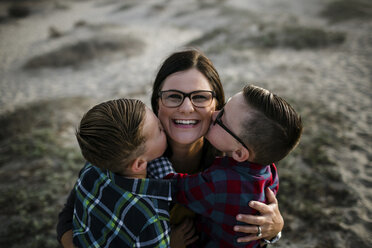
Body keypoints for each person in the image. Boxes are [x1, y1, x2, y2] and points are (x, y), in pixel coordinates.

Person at [57, 48, 284, 247]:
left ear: (216, 105)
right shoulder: (126, 146)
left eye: (200, 97)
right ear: (157, 102)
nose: (186, 108)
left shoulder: (236, 159)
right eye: (174, 96)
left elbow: (252, 221)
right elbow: (71, 212)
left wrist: (274, 230)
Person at [161, 85, 303, 247]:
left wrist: (158, 158)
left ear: (240, 154)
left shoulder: (221, 183)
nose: (212, 114)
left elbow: (173, 187)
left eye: (221, 118)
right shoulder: (268, 169)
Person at [72, 99, 175, 247]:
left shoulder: (91, 169)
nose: (163, 125)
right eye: (159, 129)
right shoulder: (151, 217)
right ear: (139, 164)